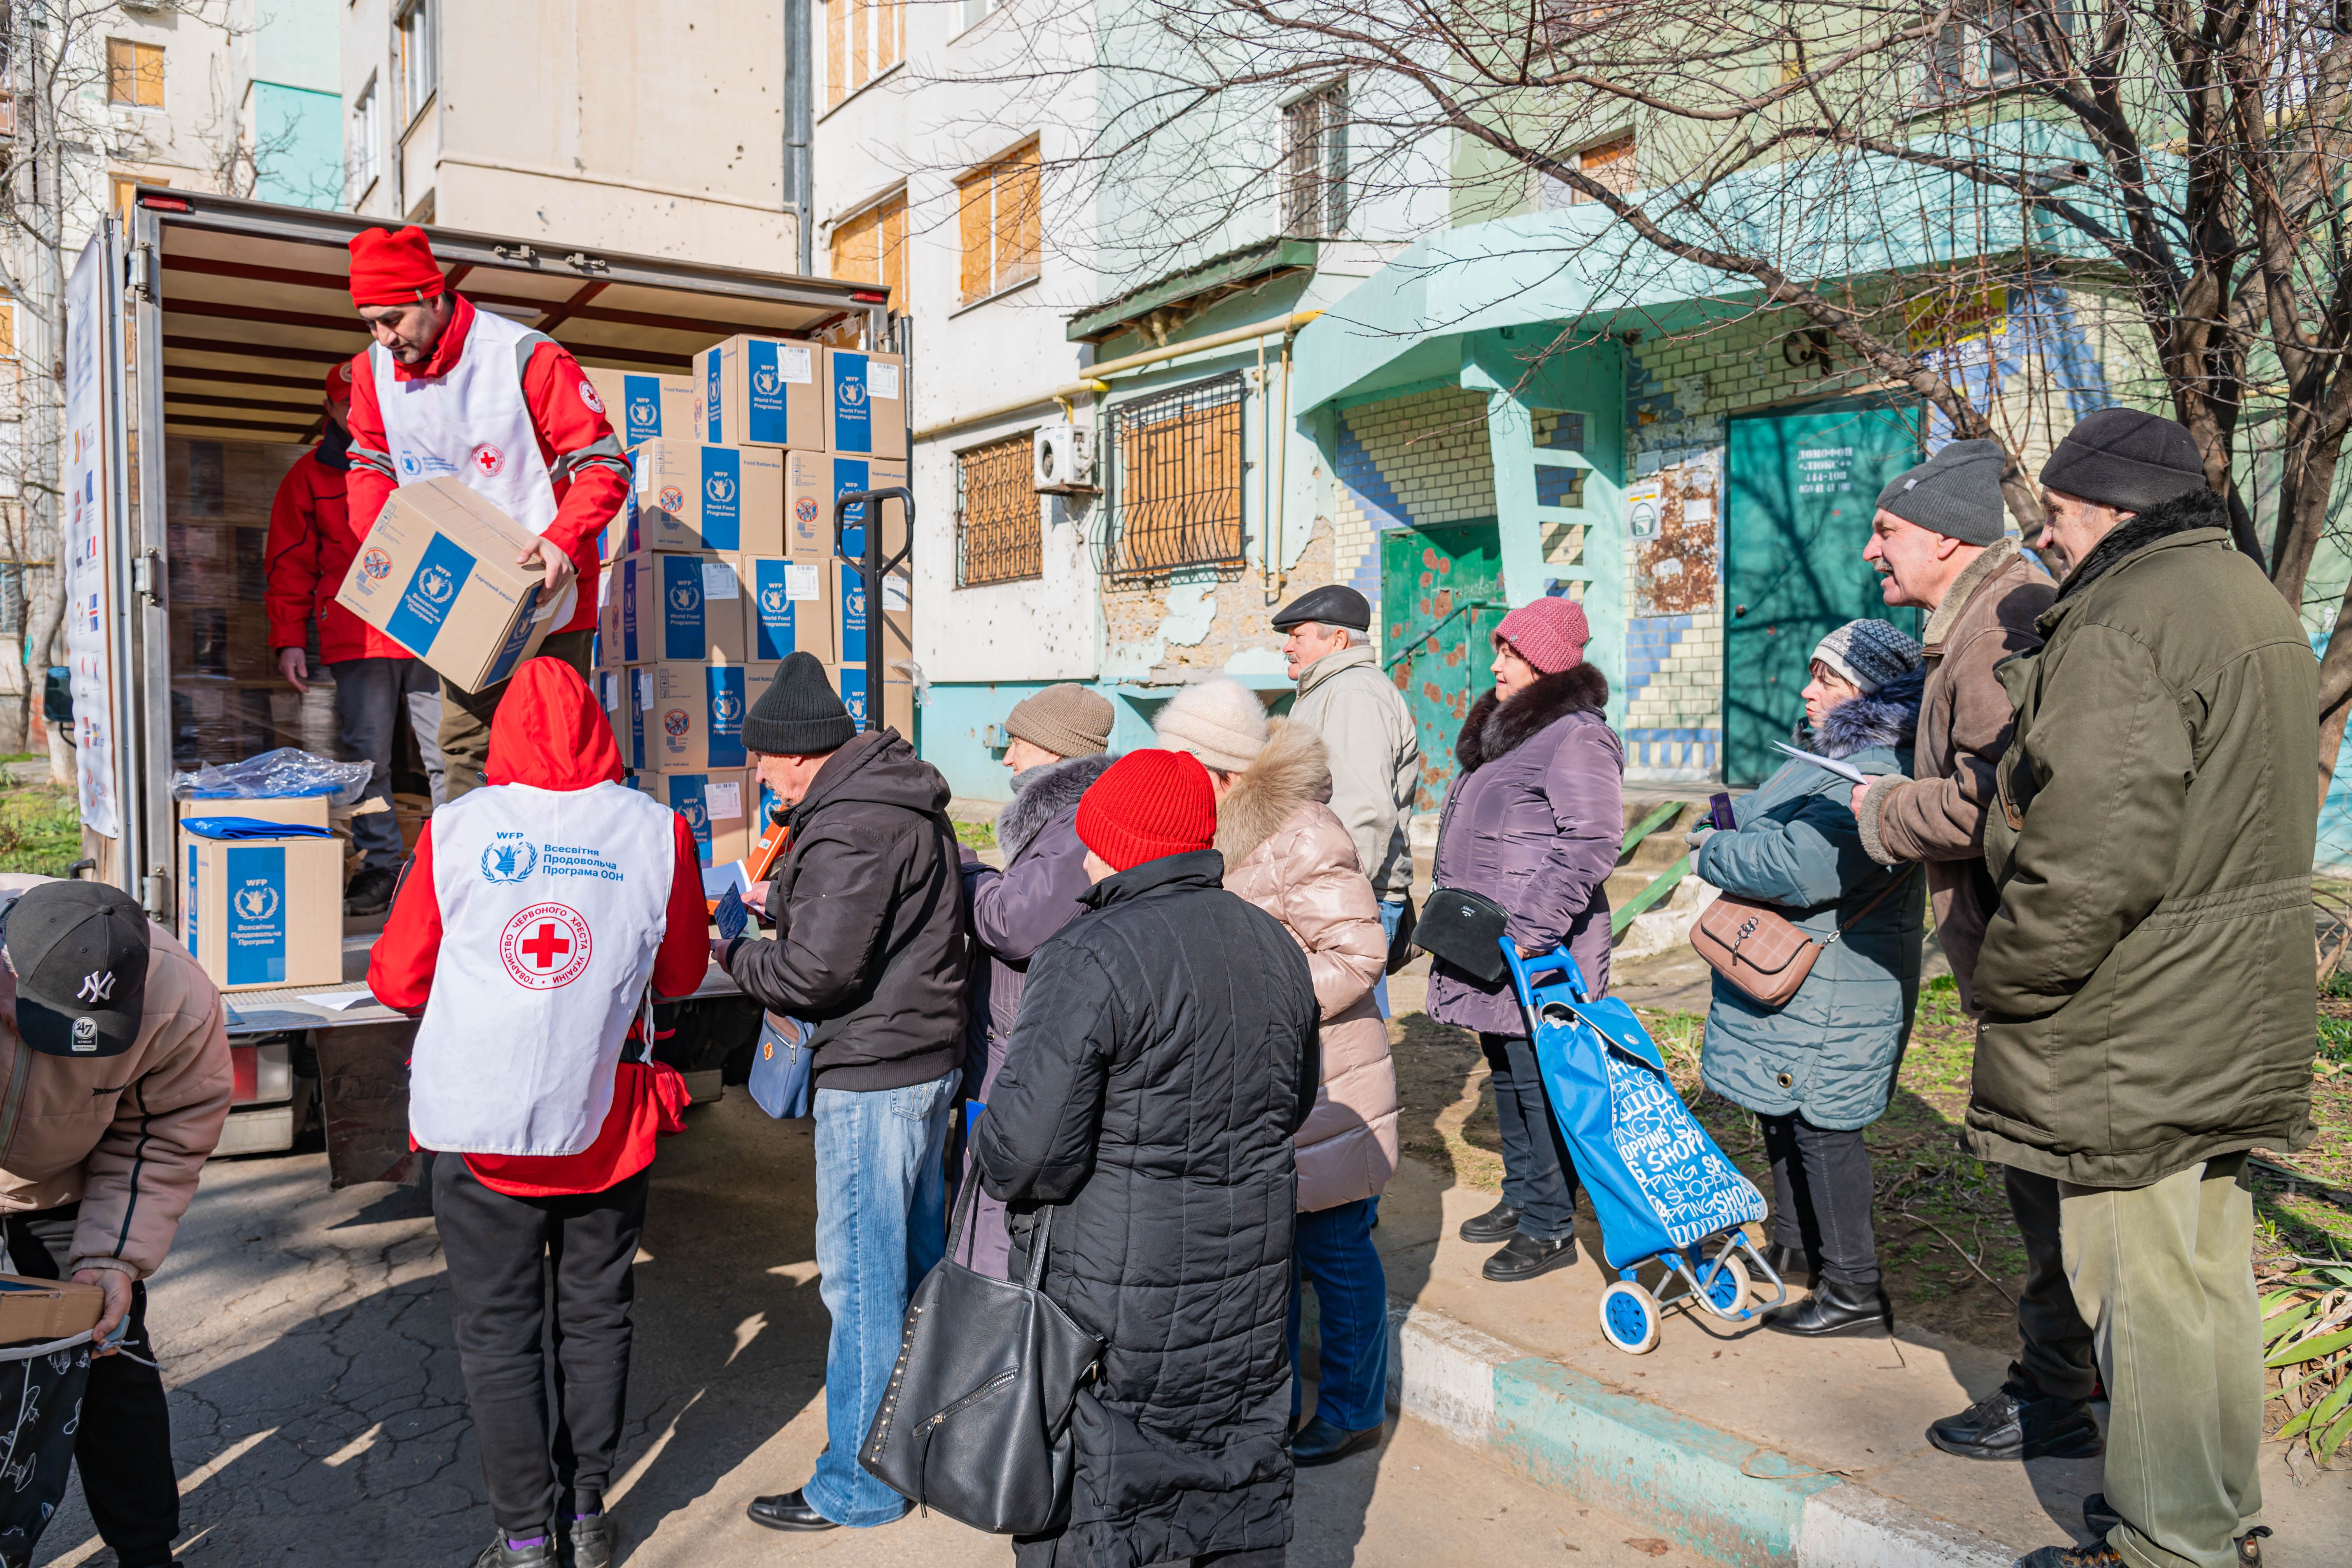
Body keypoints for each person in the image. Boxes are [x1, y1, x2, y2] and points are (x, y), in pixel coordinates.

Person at [1972, 410, 2315, 1568]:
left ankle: (2172, 1545)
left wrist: (2005, 981)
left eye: (2057, 518)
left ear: (2112, 512)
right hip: (2231, 1001)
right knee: (2207, 1280)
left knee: (2147, 1292)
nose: (2050, 541)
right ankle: (2219, 1515)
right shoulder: (2253, 601)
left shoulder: (2125, 621)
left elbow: (2089, 858)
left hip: (2136, 1017)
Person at [369, 659, 708, 1568]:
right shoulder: (656, 831)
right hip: (607, 1121)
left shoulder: (455, 830)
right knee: (598, 1319)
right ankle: (589, 1517)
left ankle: (524, 1539)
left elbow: (395, 980)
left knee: (498, 1335)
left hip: (476, 1130)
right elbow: (680, 977)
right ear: (602, 731)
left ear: (502, 738)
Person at [974, 748, 1320, 1568]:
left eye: (1092, 837)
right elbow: (1292, 1105)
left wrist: (986, 1133)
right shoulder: (1275, 945)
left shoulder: (1087, 953)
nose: (1081, 854)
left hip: (1115, 1294)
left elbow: (1028, 1156)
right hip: (1249, 1280)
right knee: (1231, 1473)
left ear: (1121, 845)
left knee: (1105, 1492)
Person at [1843, 442, 2098, 1461]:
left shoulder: (2003, 623)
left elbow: (1998, 802)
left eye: (1888, 533)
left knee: (2049, 1188)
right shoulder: (1982, 616)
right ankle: (2087, 1378)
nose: (1871, 552)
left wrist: (1883, 810)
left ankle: (2054, 1399)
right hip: (2031, 960)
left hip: (2036, 965)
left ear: (1948, 539)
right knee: (2058, 1188)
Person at [715, 653, 968, 1533]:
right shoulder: (891, 800)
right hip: (923, 1062)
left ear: (798, 752)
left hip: (875, 1076)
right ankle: (930, 1447)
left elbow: (816, 972)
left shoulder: (852, 823)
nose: (757, 772)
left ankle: (861, 1484)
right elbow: (865, 926)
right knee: (916, 1268)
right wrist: (783, 898)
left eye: (762, 758)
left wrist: (735, 953)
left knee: (862, 1284)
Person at [1155, 679, 1396, 1468]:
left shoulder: (1302, 831)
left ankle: (1356, 1409)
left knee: (1335, 1254)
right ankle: (1277, 1410)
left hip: (1327, 1085)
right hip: (1262, 1088)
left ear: (1221, 768)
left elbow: (1361, 953)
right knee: (1273, 1261)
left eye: (1181, 758)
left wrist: (1264, 1008)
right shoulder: (1205, 827)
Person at [1689, 621, 1924, 1336]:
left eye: (1824, 677)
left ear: (1866, 689)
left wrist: (1715, 847)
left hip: (1835, 980)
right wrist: (1738, 837)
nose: (1806, 689)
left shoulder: (1878, 764)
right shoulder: (1831, 754)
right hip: (1809, 974)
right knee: (1781, 1108)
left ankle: (1852, 1291)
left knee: (1825, 1126)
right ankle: (1794, 1246)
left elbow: (1805, 867)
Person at [340, 224, 628, 800]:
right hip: (457, 592)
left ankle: (569, 875)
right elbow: (368, 464)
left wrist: (563, 539)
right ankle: (473, 877)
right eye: (369, 322)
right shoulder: (372, 372)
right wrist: (384, 542)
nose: (383, 337)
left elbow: (603, 464)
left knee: (559, 739)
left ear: (432, 294)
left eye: (393, 319)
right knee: (467, 743)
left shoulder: (525, 356)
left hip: (547, 594)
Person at [0, 875, 232, 1568]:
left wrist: (114, 1256)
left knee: (110, 1350)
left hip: (67, 1181)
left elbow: (160, 1134)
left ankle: (147, 1551)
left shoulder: (179, 998)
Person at [1425, 597, 1622, 1282]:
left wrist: (1530, 932)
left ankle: (1549, 1226)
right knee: (1507, 1074)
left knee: (1542, 1086)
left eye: (1508, 652)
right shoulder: (1507, 733)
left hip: (1538, 949)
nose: (1494, 663)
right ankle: (1520, 1197)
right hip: (1489, 943)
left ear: (1543, 660)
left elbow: (1592, 842)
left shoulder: (1575, 735)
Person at [264, 359, 446, 915]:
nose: (359, 413)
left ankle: (461, 860)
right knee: (368, 759)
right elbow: (290, 564)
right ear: (331, 410)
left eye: (368, 404)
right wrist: (289, 638)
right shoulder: (310, 478)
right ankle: (383, 866)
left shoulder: (424, 459)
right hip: (358, 635)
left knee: (451, 752)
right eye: (348, 405)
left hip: (432, 625)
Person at [959, 683, 1118, 1279]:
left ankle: (992, 1346)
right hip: (1011, 1037)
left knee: (998, 1204)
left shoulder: (1076, 823)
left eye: (1016, 744)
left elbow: (1013, 924)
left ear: (1055, 752)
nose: (1006, 759)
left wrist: (968, 871)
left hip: (1021, 1045)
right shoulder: (1063, 818)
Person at [1274, 584, 1422, 993]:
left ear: (1337, 639)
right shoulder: (1329, 689)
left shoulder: (1352, 693)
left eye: (1297, 636)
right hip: (1338, 893)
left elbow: (1362, 812)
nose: (1287, 647)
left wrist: (1337, 900)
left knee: (1346, 1042)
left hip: (1348, 900)